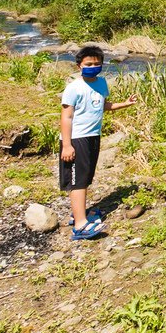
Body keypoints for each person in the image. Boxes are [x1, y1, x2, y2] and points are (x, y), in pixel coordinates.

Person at [60, 46, 137, 240]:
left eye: (97, 64)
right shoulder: (73, 88)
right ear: (79, 66)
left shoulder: (102, 83)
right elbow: (66, 117)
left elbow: (102, 105)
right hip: (77, 138)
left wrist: (124, 104)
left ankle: (80, 213)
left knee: (85, 178)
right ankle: (80, 225)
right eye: (88, 64)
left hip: (93, 135)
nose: (93, 67)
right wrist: (67, 145)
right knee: (78, 182)